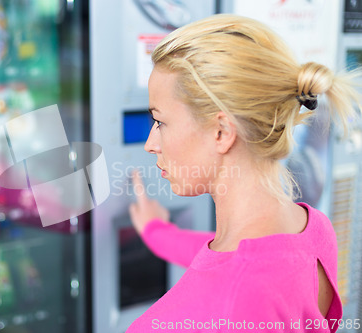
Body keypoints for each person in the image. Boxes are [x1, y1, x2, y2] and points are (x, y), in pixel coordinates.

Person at [127, 14, 361, 333]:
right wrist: (156, 232)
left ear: (222, 131)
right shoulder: (315, 230)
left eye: (160, 122)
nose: (151, 144)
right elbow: (232, 257)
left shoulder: (218, 310)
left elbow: (234, 276)